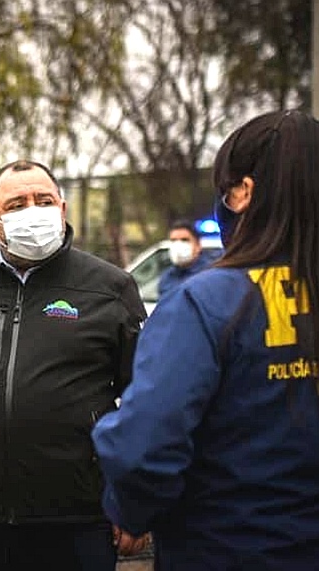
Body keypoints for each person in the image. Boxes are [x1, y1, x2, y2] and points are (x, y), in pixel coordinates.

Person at [92, 109, 319, 570]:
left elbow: (144, 446)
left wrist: (130, 511)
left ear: (244, 193)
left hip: (225, 549)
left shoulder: (206, 302)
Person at [0, 159, 149, 571]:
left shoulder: (109, 289)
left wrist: (136, 503)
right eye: (16, 204)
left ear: (63, 210)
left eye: (44, 200)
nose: (33, 211)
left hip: (80, 521)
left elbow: (145, 402)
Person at [157, 219, 211, 300]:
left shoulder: (210, 275)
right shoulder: (166, 278)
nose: (178, 245)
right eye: (173, 241)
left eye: (184, 240)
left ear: (198, 245)